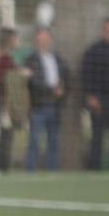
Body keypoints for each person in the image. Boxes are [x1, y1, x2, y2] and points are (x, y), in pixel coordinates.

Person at [23, 27, 70, 171]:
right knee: (34, 140)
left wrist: (62, 90)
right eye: (40, 39)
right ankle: (30, 171)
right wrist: (51, 90)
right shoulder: (31, 60)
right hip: (38, 106)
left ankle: (52, 171)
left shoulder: (57, 59)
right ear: (36, 41)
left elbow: (66, 78)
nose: (43, 42)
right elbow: (32, 82)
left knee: (53, 141)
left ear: (50, 40)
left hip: (55, 106)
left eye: (46, 39)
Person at [81, 17, 109, 170]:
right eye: (108, 31)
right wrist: (91, 97)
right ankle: (94, 169)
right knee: (97, 138)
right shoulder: (93, 51)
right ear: (102, 31)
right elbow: (86, 75)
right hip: (99, 101)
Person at [0, 28, 22, 172]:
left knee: (7, 132)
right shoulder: (1, 59)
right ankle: (0, 165)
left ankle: (3, 164)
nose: (17, 41)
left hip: (6, 102)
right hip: (2, 102)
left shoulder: (7, 58)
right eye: (15, 38)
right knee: (5, 132)